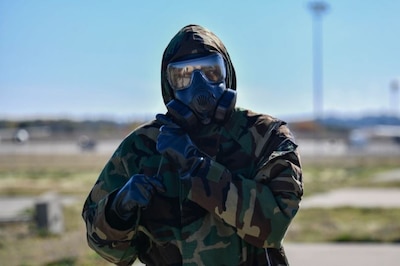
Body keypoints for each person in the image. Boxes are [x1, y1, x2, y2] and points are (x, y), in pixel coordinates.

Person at [82, 24, 303, 266]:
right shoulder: (141, 147)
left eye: (211, 71)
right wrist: (118, 209)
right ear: (169, 85)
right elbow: (110, 251)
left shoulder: (266, 135)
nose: (200, 85)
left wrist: (194, 166)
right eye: (184, 75)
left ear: (227, 73)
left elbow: (273, 226)